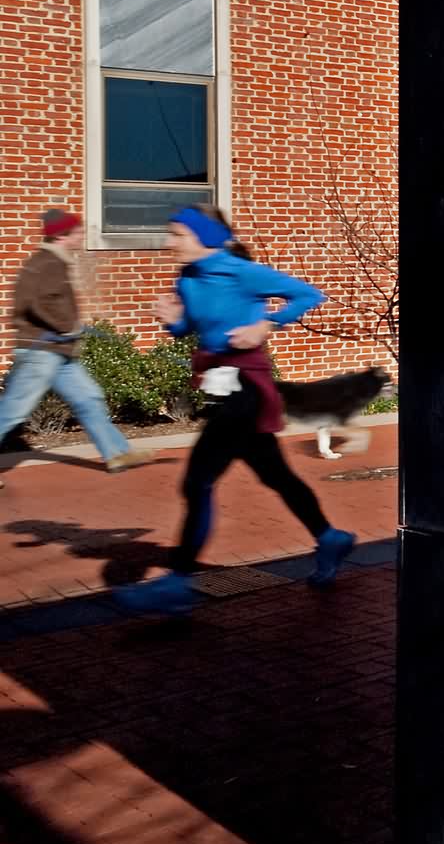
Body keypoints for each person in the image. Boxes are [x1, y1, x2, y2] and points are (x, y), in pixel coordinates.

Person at [112, 207, 354, 615]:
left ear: (204, 236)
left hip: (247, 389)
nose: (168, 243)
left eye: (177, 235)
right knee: (276, 475)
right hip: (220, 389)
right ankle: (330, 537)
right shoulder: (188, 278)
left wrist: (268, 325)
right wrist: (173, 323)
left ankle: (178, 581)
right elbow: (196, 326)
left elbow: (309, 294)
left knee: (197, 482)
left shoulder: (239, 271)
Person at [1, 210, 149, 480]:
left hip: (58, 351)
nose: (82, 236)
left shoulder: (52, 261)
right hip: (40, 351)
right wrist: (66, 325)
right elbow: (36, 303)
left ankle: (117, 453)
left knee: (89, 399)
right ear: (61, 235)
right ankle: (117, 452)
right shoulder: (47, 263)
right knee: (13, 411)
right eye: (78, 232)